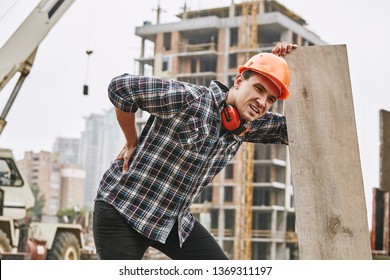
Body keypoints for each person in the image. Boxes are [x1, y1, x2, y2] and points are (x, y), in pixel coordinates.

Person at [93, 42, 297, 260]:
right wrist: (131, 141)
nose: (262, 102)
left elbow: (296, 129)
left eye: (271, 99)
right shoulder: (191, 99)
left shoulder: (246, 125)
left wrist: (292, 63)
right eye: (258, 89)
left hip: (170, 220)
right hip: (122, 208)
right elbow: (121, 88)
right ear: (238, 82)